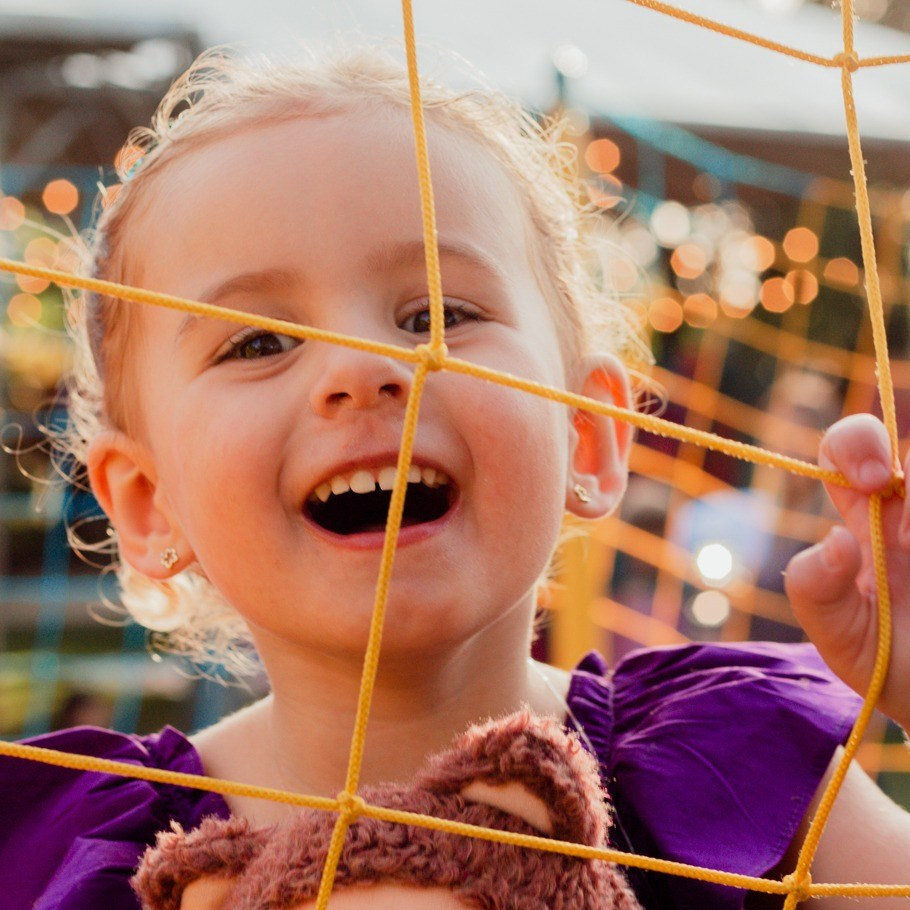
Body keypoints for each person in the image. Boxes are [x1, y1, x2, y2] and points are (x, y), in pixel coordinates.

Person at [1, 47, 909, 910]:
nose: (361, 371)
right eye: (258, 341)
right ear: (147, 504)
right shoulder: (90, 855)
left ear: (586, 435)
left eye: (438, 311)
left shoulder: (738, 770)